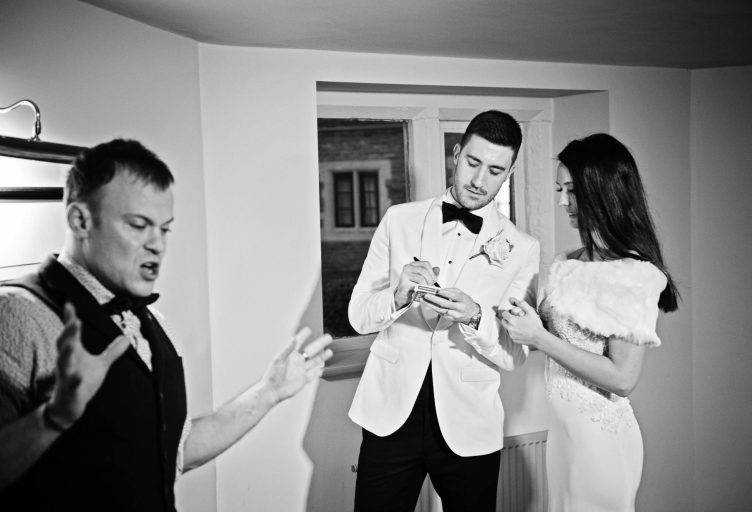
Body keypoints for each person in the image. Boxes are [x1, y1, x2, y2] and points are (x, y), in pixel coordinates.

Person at [0, 139, 333, 511]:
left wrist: (269, 391)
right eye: (139, 225)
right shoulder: (18, 315)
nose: (157, 244)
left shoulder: (151, 323)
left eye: (165, 228)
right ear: (80, 220)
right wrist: (52, 418)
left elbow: (176, 451)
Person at [348, 110, 540, 512]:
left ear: (509, 172)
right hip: (390, 414)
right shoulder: (398, 220)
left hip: (469, 422)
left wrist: (474, 317)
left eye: (495, 170)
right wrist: (398, 296)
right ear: (456, 154)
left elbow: (514, 354)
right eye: (472, 163)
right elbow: (359, 316)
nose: (479, 181)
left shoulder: (522, 248)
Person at [500, 133, 680, 512]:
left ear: (603, 190)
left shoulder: (633, 274)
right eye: (559, 188)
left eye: (573, 189)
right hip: (564, 436)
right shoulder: (568, 261)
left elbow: (623, 379)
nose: (563, 200)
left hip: (601, 442)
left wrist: (540, 338)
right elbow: (547, 337)